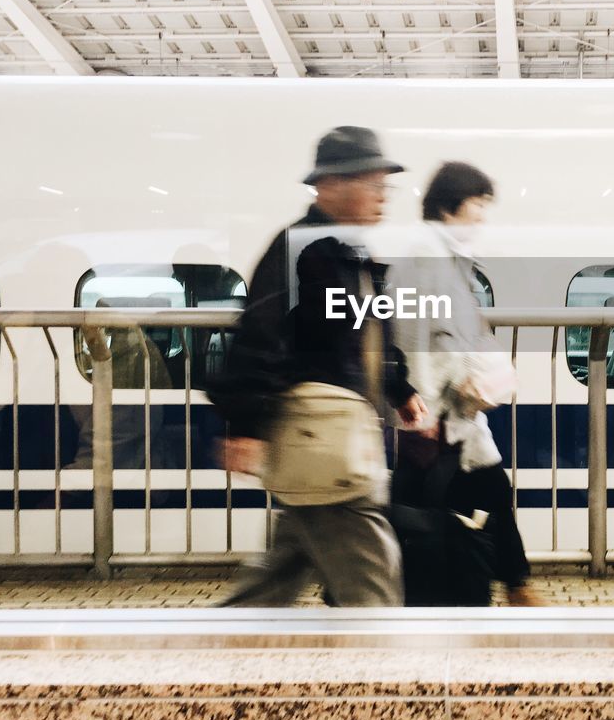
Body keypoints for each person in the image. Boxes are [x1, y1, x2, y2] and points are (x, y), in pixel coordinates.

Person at [207, 126, 427, 608]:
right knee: (372, 585)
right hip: (323, 436)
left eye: (384, 186)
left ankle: (215, 653)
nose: (382, 198)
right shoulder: (301, 248)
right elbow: (262, 333)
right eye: (371, 184)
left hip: (335, 439)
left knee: (278, 575)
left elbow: (369, 334)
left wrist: (399, 388)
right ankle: (384, 674)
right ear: (328, 186)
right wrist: (245, 423)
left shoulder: (353, 253)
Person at [388, 161, 543, 606]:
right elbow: (415, 338)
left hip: (454, 417)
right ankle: (505, 594)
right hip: (440, 419)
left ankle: (512, 590)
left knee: (483, 495)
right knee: (453, 507)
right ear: (450, 204)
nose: (481, 215)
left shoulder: (446, 258)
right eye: (478, 203)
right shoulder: (427, 257)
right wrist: (422, 409)